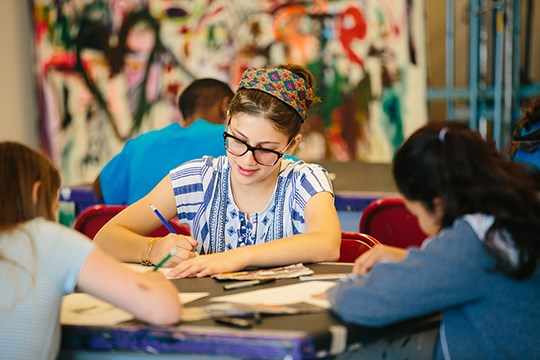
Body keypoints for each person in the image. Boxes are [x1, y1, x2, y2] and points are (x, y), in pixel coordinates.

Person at [94, 64, 341, 278]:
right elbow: (104, 239)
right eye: (238, 140)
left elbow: (327, 244)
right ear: (227, 120)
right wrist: (151, 249)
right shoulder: (198, 178)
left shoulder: (305, 180)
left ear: (292, 144)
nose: (247, 160)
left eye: (266, 149)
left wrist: (238, 257)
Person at [327, 122, 540, 359]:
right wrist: (408, 257)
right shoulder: (518, 210)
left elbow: (363, 302)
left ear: (438, 204)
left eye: (416, 214)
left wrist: (336, 290)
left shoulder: (473, 242)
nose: (419, 223)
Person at [0, 142, 182, 360]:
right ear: (36, 193)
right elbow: (164, 308)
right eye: (53, 204)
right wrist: (157, 283)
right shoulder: (44, 238)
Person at [92, 78, 235, 205]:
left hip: (139, 234)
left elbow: (99, 189)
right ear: (226, 105)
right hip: (197, 235)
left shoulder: (139, 143)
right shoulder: (232, 139)